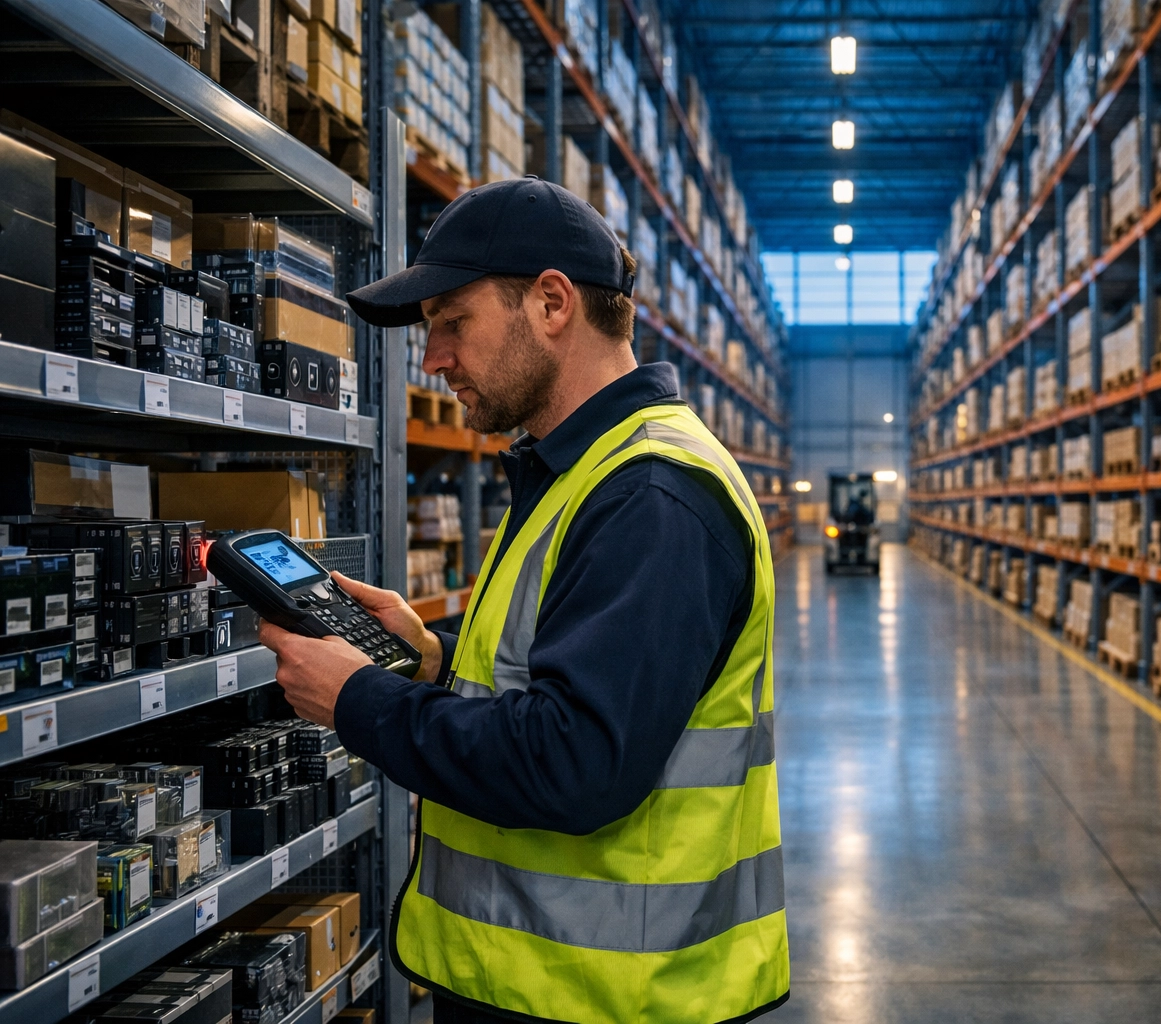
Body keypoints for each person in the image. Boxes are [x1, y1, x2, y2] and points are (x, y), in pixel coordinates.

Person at [255, 176, 789, 1024]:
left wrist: (360, 700)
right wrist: (431, 658)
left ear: (550, 304)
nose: (432, 361)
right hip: (546, 983)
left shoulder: (653, 496)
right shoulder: (580, 470)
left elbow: (574, 762)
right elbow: (561, 668)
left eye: (452, 324)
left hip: (608, 997)